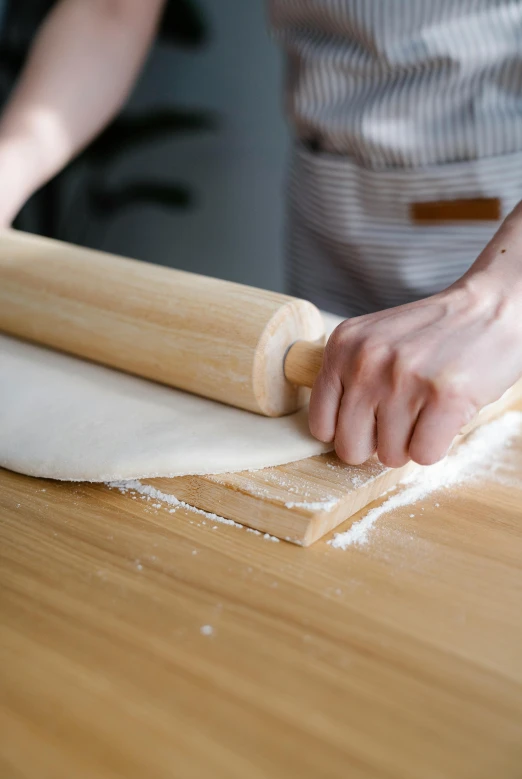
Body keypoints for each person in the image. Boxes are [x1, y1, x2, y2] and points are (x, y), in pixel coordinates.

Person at [1, 0, 521, 470]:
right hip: (329, 200)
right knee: (331, 413)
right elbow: (109, 12)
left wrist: (502, 299)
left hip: (495, 234)